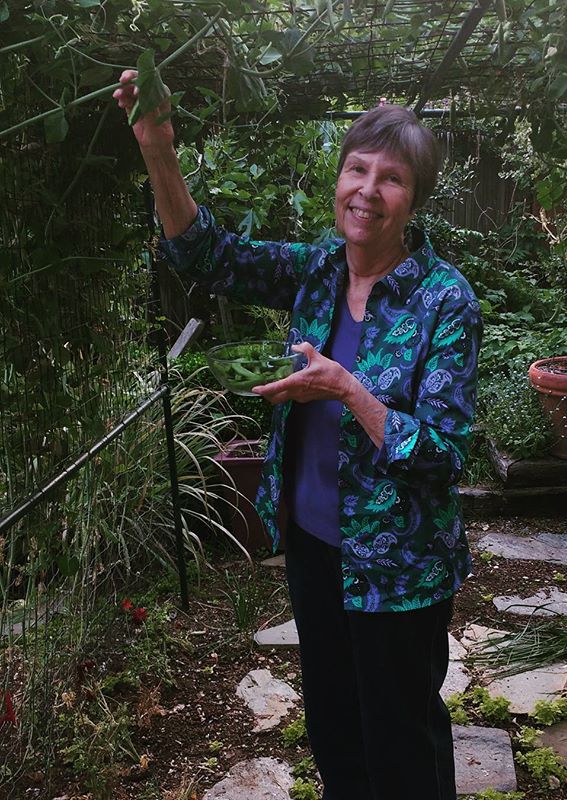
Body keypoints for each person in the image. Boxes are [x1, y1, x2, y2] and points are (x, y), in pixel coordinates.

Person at [114, 71, 482, 800]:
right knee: (337, 735)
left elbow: (443, 455)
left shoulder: (445, 300)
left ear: (416, 199)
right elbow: (207, 254)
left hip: (398, 567)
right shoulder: (317, 270)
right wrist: (159, 151)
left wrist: (347, 388)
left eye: (392, 178)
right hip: (315, 548)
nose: (368, 190)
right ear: (339, 178)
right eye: (357, 169)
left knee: (402, 742)